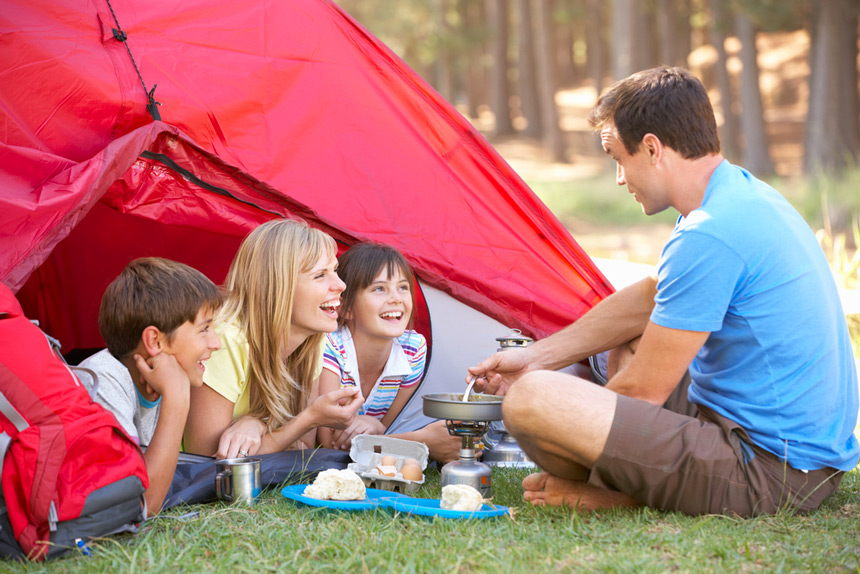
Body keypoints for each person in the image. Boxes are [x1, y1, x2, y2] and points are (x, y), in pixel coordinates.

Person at [467, 66, 859, 517]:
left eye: (618, 157)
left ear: (652, 148)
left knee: (532, 400)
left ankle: (627, 492)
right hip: (797, 452)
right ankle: (644, 480)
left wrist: (552, 406)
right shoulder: (738, 196)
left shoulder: (710, 233)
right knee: (613, 347)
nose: (619, 177)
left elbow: (642, 392)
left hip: (774, 471)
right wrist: (537, 357)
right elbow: (654, 296)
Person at [183, 219, 364, 459]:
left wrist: (257, 422)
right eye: (320, 275)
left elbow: (300, 448)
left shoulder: (313, 338)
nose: (341, 285)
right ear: (279, 286)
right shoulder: (226, 341)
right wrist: (309, 419)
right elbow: (206, 462)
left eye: (335, 271)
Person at [79, 257, 222, 515]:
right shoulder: (103, 381)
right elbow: (142, 505)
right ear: (155, 341)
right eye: (205, 329)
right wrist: (177, 400)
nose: (216, 343)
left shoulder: (164, 380)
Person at [317, 242, 461, 463]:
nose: (396, 298)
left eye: (402, 287)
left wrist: (376, 425)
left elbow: (385, 428)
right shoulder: (330, 347)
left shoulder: (413, 349)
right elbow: (330, 443)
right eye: (379, 289)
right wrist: (423, 442)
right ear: (345, 308)